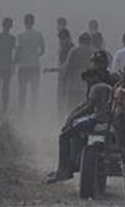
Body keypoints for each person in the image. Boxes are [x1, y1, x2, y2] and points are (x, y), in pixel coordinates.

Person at [46, 52, 117, 184]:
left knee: (65, 135)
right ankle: (74, 163)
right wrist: (74, 113)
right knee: (76, 130)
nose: (96, 65)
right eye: (95, 62)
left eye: (99, 62)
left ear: (105, 64)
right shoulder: (110, 79)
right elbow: (88, 104)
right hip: (107, 119)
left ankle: (65, 169)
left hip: (99, 119)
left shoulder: (96, 82)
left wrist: (73, 116)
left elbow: (89, 106)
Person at [15, 13, 46, 116]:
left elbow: (18, 51)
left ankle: (21, 111)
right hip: (35, 65)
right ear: (33, 22)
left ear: (24, 23)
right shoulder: (38, 35)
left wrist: (15, 61)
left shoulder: (20, 35)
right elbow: (43, 50)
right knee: (34, 90)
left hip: (23, 66)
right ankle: (34, 110)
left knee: (22, 90)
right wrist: (36, 56)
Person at [59, 32, 95, 112]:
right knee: (86, 109)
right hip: (88, 86)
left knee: (71, 108)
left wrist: (64, 81)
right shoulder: (93, 52)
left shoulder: (74, 51)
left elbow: (68, 67)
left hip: (74, 85)